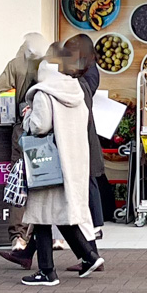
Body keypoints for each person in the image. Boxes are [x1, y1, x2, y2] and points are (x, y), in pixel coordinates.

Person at [1, 50, 105, 286]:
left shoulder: (43, 94)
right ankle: (89, 257)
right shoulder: (76, 91)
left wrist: (26, 115)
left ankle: (47, 272)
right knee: (54, 214)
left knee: (41, 214)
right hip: (72, 161)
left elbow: (39, 126)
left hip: (46, 163)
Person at [0, 34, 52, 252]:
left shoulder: (15, 65)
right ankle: (53, 234)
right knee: (47, 182)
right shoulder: (52, 64)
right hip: (48, 133)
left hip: (22, 129)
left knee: (20, 181)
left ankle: (19, 236)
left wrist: (2, 112)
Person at [61, 34, 111, 238]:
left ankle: (96, 226)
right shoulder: (84, 71)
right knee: (87, 178)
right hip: (81, 132)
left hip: (82, 132)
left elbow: (80, 95)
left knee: (89, 178)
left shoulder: (88, 74)